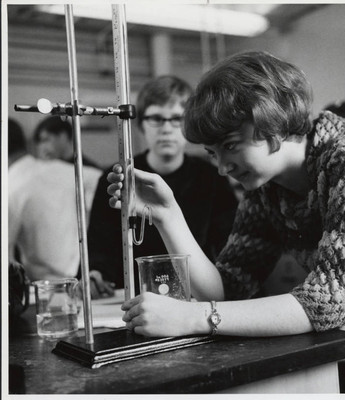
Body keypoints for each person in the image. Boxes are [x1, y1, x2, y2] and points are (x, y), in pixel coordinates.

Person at [107, 51, 345, 393]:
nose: (222, 167)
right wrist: (167, 215)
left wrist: (192, 317)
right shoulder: (266, 188)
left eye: (230, 146)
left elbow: (333, 300)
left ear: (272, 123)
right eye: (212, 153)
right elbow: (229, 287)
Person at [85, 75, 238, 298]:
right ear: (141, 125)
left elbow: (228, 248)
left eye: (177, 119)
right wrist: (94, 275)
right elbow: (100, 248)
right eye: (157, 118)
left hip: (195, 295)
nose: (167, 129)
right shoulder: (119, 178)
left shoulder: (212, 178)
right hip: (133, 298)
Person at [8, 118, 100, 280]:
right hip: (92, 279)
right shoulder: (86, 175)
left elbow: (5, 260)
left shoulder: (11, 186)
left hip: (50, 290)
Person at [33, 115, 99, 167]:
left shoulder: (89, 169)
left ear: (63, 136)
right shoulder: (49, 166)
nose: (42, 147)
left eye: (46, 140)